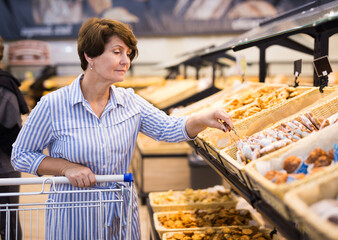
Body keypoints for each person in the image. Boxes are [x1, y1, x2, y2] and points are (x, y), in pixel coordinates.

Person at [11, 18, 234, 239]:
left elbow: (169, 128)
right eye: (117, 52)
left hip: (120, 215)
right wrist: (66, 168)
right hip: (74, 217)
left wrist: (202, 118)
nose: (125, 61)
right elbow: (20, 155)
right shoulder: (53, 105)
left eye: (128, 54)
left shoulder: (130, 102)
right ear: (90, 56)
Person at [0, 36, 28, 240]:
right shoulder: (6, 86)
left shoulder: (4, 87)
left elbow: (12, 136)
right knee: (8, 221)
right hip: (6, 168)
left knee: (7, 222)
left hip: (4, 170)